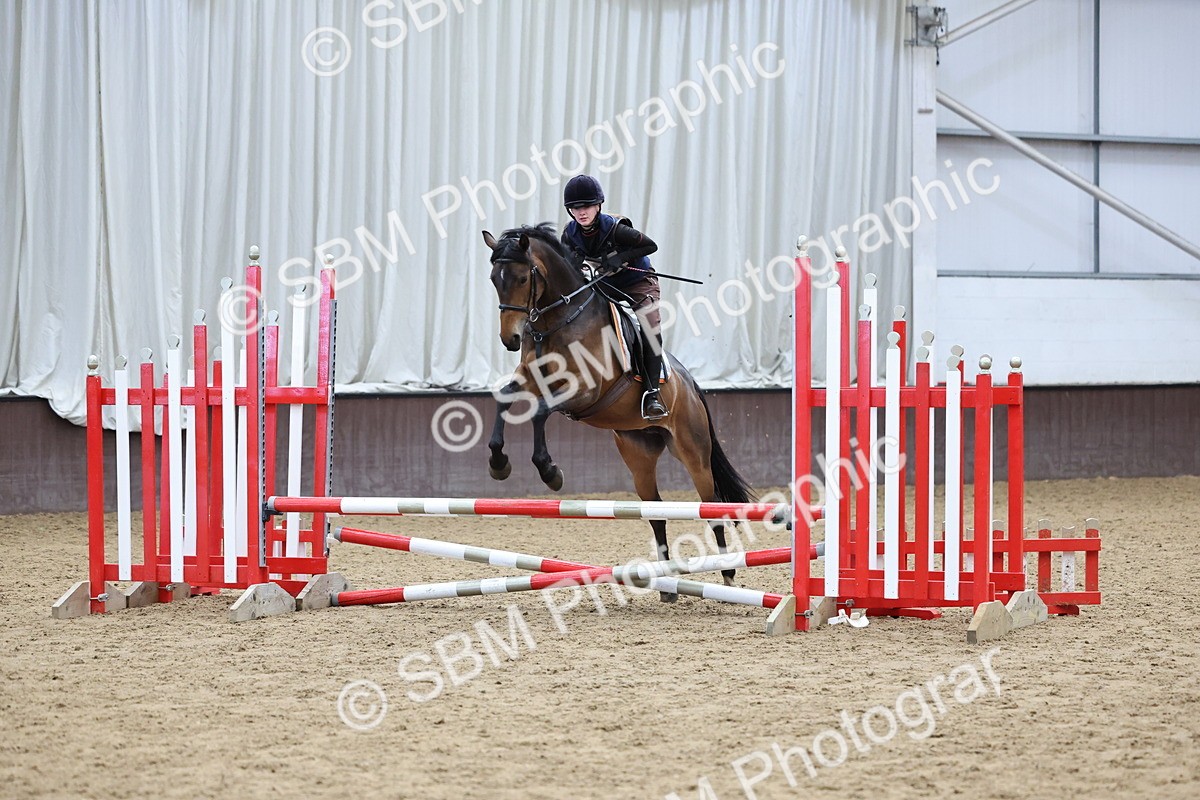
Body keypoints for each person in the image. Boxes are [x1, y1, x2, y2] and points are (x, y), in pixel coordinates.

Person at [560, 174, 668, 420]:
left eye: (586, 206)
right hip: (606, 282)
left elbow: (651, 245)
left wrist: (621, 257)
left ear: (598, 206)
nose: (581, 212)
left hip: (638, 281)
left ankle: (652, 394)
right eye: (575, 208)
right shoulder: (570, 234)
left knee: (650, 327)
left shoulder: (616, 228)